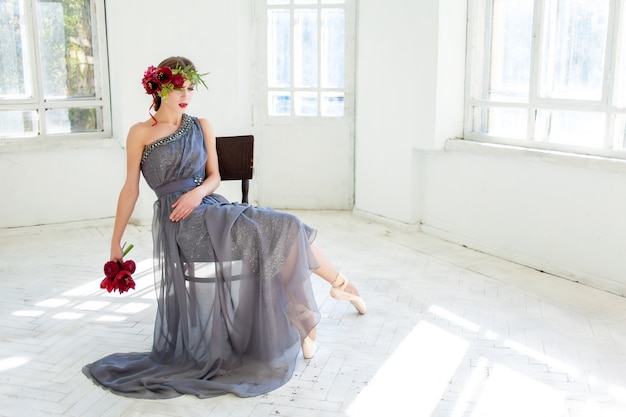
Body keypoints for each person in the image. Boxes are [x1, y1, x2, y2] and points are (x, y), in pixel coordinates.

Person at [83, 56, 366, 399]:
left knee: (285, 227)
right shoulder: (140, 133)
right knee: (283, 229)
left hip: (211, 208)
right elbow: (130, 188)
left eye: (190, 88)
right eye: (179, 87)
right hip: (180, 225)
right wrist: (116, 242)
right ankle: (327, 297)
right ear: (160, 86)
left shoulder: (201, 124)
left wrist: (197, 193)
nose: (186, 94)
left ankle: (326, 297)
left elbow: (214, 177)